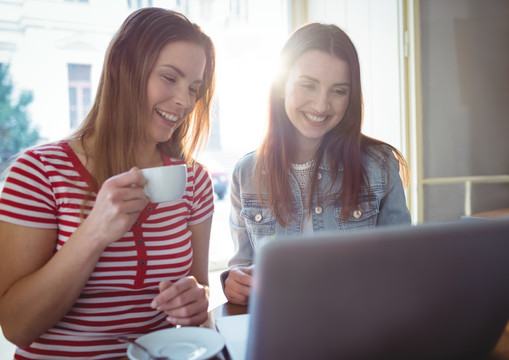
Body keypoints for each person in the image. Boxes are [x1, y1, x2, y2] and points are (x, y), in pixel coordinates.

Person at [0, 7, 216, 359]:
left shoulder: (194, 180)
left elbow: (199, 286)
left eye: (194, 88)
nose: (184, 101)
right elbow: (16, 326)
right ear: (119, 66)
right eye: (169, 78)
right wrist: (94, 232)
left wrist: (198, 301)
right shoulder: (37, 172)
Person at [222, 23, 411, 305]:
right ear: (281, 86)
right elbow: (242, 266)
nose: (321, 106)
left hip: (361, 327)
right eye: (308, 85)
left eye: (338, 91)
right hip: (281, 329)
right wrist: (233, 283)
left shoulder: (380, 165)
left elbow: (404, 269)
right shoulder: (246, 173)